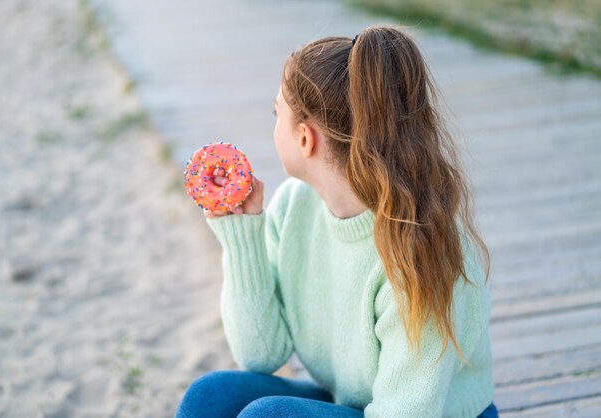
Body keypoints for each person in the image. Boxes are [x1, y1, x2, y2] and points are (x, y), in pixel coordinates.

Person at [175, 24, 499, 418]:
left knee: (267, 416)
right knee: (210, 397)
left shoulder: (417, 249)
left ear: (305, 138)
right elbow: (261, 354)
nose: (273, 124)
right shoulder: (295, 206)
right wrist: (241, 237)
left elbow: (408, 410)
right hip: (354, 404)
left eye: (277, 113)